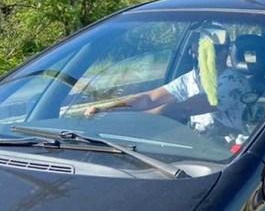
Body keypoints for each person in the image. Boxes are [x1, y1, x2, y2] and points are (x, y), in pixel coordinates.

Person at [85, 32, 251, 135]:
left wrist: (130, 120)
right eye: (199, 50)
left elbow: (184, 108)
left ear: (224, 52)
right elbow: (149, 99)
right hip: (195, 143)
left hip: (226, 150)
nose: (202, 55)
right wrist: (107, 109)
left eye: (213, 50)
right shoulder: (192, 77)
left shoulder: (234, 83)